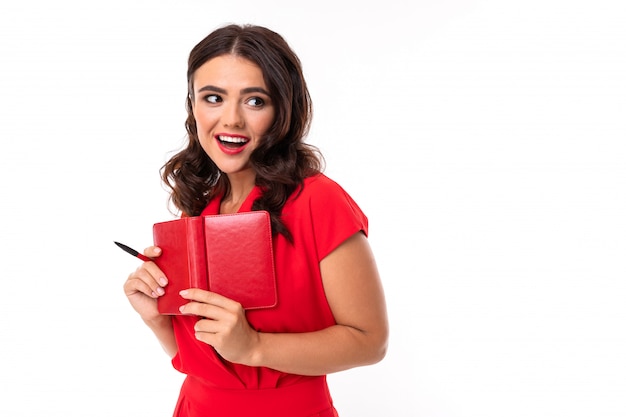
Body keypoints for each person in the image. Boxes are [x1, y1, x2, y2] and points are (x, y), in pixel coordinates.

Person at [123, 23, 389, 417]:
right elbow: (205, 359)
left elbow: (371, 342)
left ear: (283, 109)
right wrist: (156, 319)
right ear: (192, 105)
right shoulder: (199, 207)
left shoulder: (319, 200)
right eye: (213, 98)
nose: (230, 119)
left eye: (255, 101)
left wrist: (254, 347)